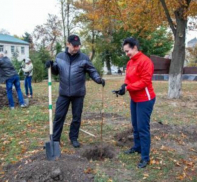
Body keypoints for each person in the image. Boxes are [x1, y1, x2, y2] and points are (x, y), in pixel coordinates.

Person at [45, 34, 105, 148]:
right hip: (63, 93)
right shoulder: (60, 56)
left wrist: (98, 79)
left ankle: (74, 138)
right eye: (74, 45)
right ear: (68, 44)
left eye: (78, 46)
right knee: (59, 116)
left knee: (76, 117)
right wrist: (51, 66)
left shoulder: (84, 58)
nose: (77, 48)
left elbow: (92, 70)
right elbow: (56, 71)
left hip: (78, 93)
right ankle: (55, 140)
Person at [114, 37, 156, 168]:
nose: (127, 54)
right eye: (125, 52)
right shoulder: (130, 62)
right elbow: (128, 79)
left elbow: (145, 82)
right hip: (135, 98)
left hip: (145, 99)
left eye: (128, 51)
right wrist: (123, 87)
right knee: (135, 125)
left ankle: (145, 157)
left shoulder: (145, 61)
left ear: (135, 47)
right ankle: (137, 147)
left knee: (143, 128)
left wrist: (128, 88)